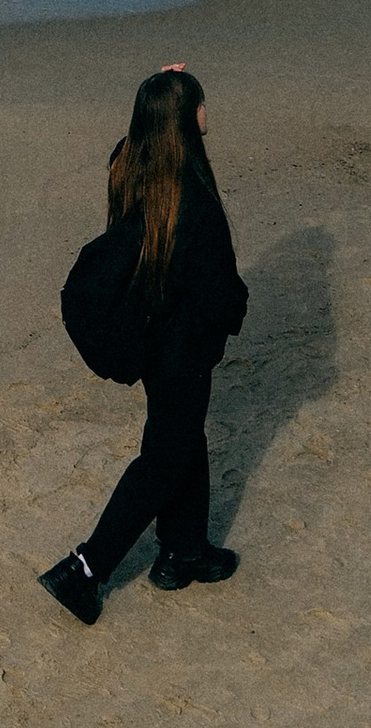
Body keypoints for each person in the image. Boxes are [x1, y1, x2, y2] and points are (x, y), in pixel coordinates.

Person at [41, 63, 250, 624]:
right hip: (183, 351)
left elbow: (124, 144)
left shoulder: (132, 170)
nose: (208, 113)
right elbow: (219, 294)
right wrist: (237, 309)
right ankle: (85, 568)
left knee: (182, 438)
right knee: (163, 456)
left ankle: (184, 551)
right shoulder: (194, 201)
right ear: (187, 119)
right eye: (201, 104)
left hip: (154, 342)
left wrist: (156, 90)